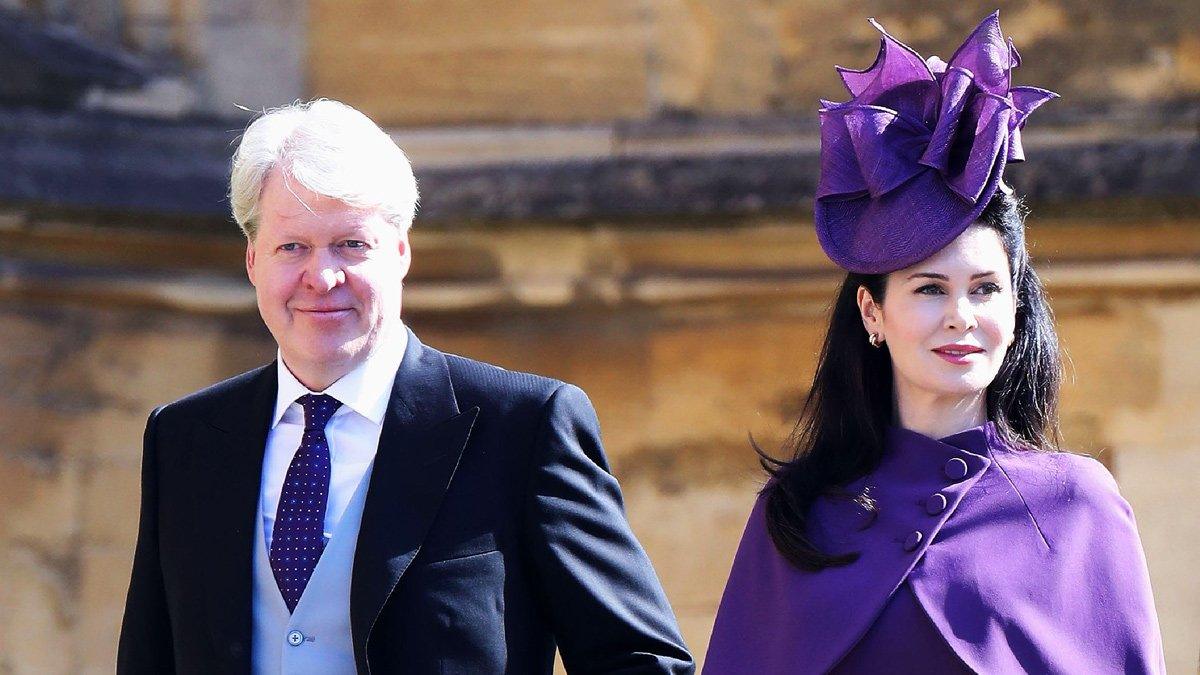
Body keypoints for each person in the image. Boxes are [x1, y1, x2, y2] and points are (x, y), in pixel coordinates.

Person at [117, 99, 695, 674]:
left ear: (400, 252)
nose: (321, 277)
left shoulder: (522, 426)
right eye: (291, 247)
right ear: (252, 261)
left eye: (351, 244)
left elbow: (643, 663)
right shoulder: (184, 439)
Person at [703, 13, 1164, 674]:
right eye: (927, 289)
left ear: (1015, 305)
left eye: (984, 289)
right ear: (872, 311)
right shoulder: (798, 513)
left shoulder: (1077, 502)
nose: (959, 316)